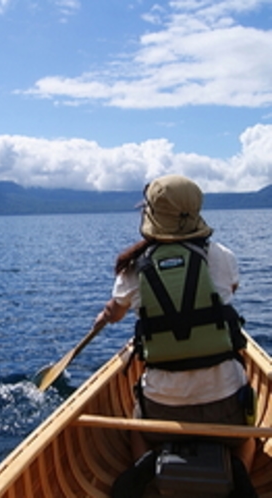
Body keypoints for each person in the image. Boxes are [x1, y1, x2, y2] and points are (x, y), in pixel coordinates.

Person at [93, 174, 257, 498]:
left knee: (138, 428)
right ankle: (238, 470)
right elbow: (229, 290)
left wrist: (106, 316)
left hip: (162, 408)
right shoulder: (222, 256)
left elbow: (118, 311)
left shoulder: (133, 267)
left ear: (151, 216)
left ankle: (147, 460)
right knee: (247, 437)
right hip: (223, 404)